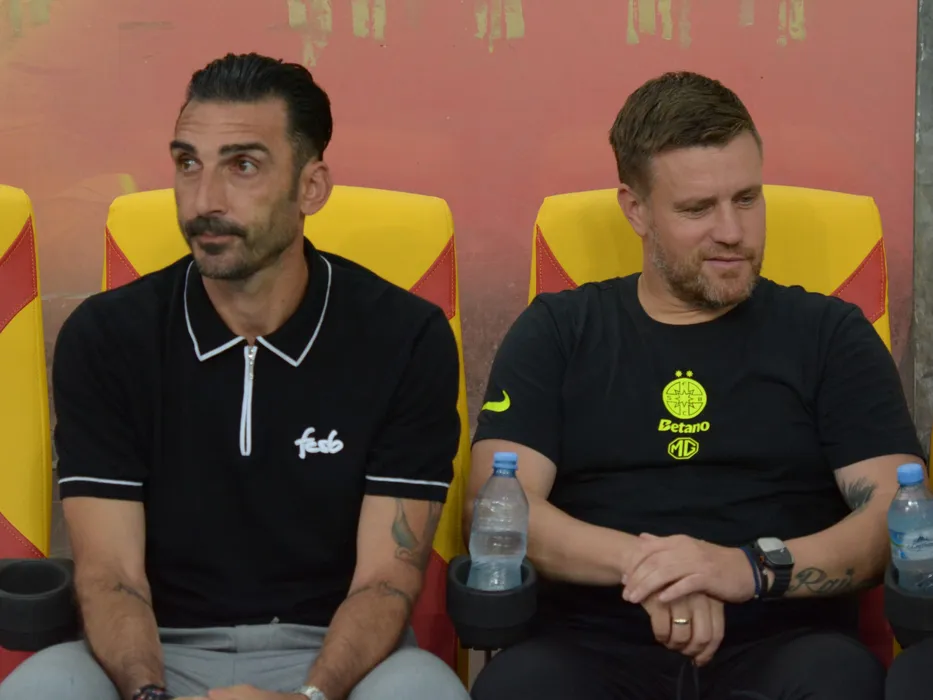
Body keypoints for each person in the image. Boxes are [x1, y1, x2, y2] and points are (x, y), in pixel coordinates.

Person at [0, 53, 469, 700]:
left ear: (311, 187)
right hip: (147, 650)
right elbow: (112, 578)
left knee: (424, 693)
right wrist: (151, 695)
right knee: (40, 690)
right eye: (188, 164)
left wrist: (309, 698)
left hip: (336, 656)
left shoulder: (405, 338)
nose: (204, 200)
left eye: (242, 165)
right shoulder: (107, 337)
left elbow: (385, 582)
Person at [467, 71, 923, 700]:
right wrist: (660, 568)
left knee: (839, 681)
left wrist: (746, 569)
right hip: (591, 646)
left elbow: (895, 514)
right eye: (697, 209)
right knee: (516, 688)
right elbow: (496, 507)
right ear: (636, 210)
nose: (732, 231)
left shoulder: (829, 334)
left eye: (747, 199)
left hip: (784, 641)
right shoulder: (559, 332)